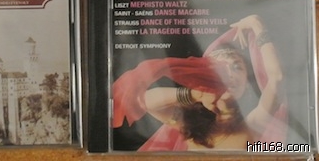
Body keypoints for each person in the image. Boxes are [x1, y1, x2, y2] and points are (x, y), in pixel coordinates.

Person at [113, 14, 287, 150]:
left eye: (237, 67)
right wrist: (195, 94)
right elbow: (146, 101)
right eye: (218, 69)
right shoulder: (191, 127)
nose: (228, 75)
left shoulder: (254, 123)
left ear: (246, 86)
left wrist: (256, 24)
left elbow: (276, 78)